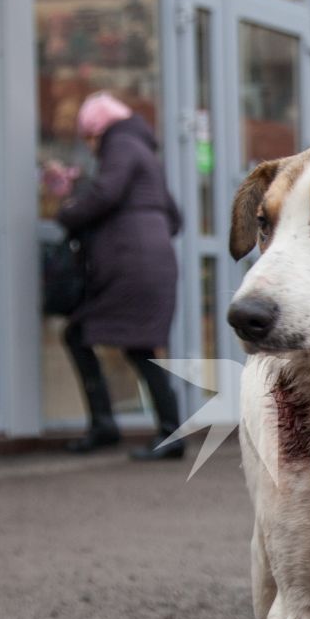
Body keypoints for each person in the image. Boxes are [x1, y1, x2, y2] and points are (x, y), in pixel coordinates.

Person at [44, 92, 185, 460]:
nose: (91, 148)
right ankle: (165, 431)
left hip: (130, 267)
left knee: (81, 334)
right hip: (153, 264)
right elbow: (174, 216)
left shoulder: (120, 142)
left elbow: (107, 193)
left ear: (97, 130)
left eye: (89, 138)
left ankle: (116, 426)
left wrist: (69, 211)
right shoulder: (143, 150)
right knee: (139, 346)